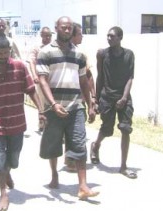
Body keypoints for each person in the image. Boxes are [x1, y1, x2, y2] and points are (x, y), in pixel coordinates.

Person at [0, 36, 45, 211]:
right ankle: (3, 193)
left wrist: (41, 111)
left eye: (6, 53)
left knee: (13, 158)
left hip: (17, 122)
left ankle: (8, 173)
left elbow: (31, 90)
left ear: (10, 52)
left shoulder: (20, 67)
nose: (3, 56)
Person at [37, 16, 99, 200]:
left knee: (80, 144)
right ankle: (55, 174)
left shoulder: (79, 54)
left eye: (70, 28)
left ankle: (83, 186)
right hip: (53, 107)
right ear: (57, 28)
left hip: (75, 107)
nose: (67, 30)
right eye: (64, 27)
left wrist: (90, 105)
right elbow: (42, 80)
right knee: (54, 144)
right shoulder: (46, 52)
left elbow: (83, 81)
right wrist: (53, 104)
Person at [90, 26, 137, 179]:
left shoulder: (129, 55)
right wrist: (96, 100)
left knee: (125, 129)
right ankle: (95, 145)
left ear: (120, 38)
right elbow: (100, 77)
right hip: (107, 97)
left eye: (112, 36)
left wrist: (124, 97)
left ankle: (123, 166)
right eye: (108, 36)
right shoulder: (102, 54)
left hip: (124, 97)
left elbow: (130, 77)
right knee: (107, 130)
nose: (109, 38)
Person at [64, 22, 96, 172]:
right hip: (67, 98)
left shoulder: (81, 54)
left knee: (76, 130)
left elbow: (88, 76)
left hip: (80, 98)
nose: (82, 36)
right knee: (73, 131)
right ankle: (70, 160)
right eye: (80, 34)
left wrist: (92, 98)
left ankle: (71, 160)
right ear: (73, 36)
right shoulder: (68, 54)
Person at [27, 26, 52, 133]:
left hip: (52, 78)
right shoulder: (37, 48)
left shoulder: (54, 47)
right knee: (41, 102)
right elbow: (32, 62)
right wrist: (34, 76)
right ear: (41, 35)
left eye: (49, 36)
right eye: (45, 35)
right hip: (41, 79)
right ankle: (42, 123)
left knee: (52, 101)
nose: (47, 38)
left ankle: (51, 123)